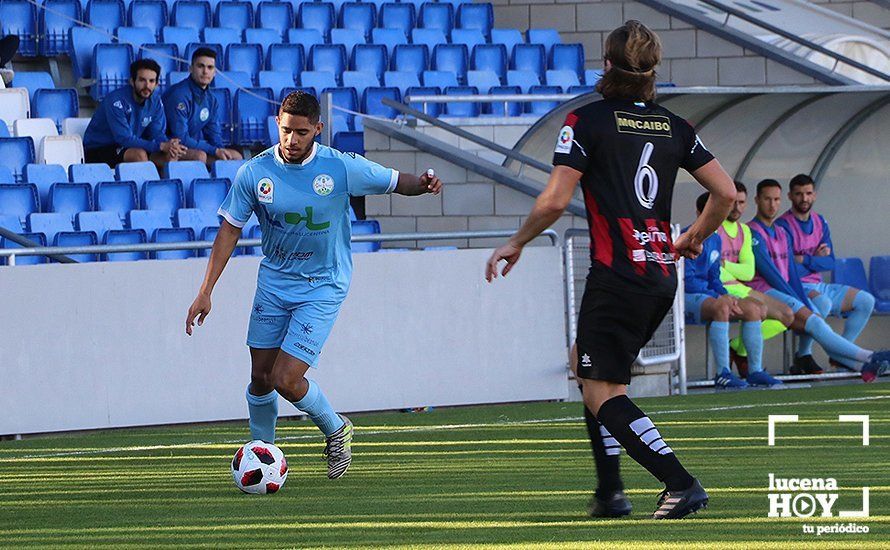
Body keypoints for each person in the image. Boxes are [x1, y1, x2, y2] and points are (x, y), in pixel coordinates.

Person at [486, 20, 736, 520]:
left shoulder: (587, 122)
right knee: (590, 365)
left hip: (617, 273)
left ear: (605, 65)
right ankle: (609, 492)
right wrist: (693, 238)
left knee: (602, 389)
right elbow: (726, 194)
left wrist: (516, 241)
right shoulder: (675, 126)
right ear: (652, 71)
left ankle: (680, 483)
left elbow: (555, 200)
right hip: (659, 273)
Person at [184, 91, 442, 479]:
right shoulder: (254, 173)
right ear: (278, 124)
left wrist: (422, 184)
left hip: (323, 284)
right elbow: (229, 231)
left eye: (301, 132)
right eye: (286, 130)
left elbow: (394, 181)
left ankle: (336, 428)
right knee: (259, 377)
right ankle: (263, 454)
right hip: (274, 282)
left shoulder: (339, 167)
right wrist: (206, 290)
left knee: (285, 379)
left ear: (317, 129)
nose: (291, 140)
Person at [748, 179, 888, 383]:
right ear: (757, 200)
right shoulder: (753, 231)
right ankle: (867, 357)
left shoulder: (782, 232)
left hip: (789, 290)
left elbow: (807, 268)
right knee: (816, 319)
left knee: (825, 315)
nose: (772, 204)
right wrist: (798, 298)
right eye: (767, 199)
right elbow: (771, 273)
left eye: (776, 199)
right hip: (766, 291)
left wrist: (803, 264)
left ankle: (860, 365)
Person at [776, 174, 875, 373]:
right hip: (797, 285)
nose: (804, 198)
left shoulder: (820, 222)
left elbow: (829, 262)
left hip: (819, 285)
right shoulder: (783, 225)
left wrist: (804, 259)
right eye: (799, 194)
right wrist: (815, 260)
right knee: (823, 303)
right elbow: (787, 268)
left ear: (815, 195)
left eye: (808, 193)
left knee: (866, 301)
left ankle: (840, 356)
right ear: (790, 196)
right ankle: (803, 354)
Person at [684, 192, 778, 388]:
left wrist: (725, 295)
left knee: (753, 309)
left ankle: (755, 371)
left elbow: (714, 277)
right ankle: (723, 373)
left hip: (710, 295)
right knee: (722, 308)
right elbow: (688, 281)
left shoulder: (716, 239)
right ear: (699, 213)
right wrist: (719, 298)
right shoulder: (688, 238)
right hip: (687, 297)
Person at [717, 181, 791, 378]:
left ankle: (739, 350)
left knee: (787, 315)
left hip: (741, 287)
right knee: (757, 310)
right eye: (733, 202)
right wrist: (727, 268)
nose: (737, 207)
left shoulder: (745, 231)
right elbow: (714, 269)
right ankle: (753, 369)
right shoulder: (714, 227)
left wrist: (726, 265)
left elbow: (748, 273)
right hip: (719, 288)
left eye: (741, 202)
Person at [83, 59, 186, 169]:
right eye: (142, 80)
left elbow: (157, 134)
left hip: (128, 147)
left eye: (151, 81)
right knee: (139, 155)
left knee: (170, 156)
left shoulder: (155, 102)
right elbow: (124, 139)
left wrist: (170, 145)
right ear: (132, 81)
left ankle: (162, 186)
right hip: (98, 149)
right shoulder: (115, 101)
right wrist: (161, 146)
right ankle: (144, 186)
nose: (147, 85)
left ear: (157, 84)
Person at [163, 48, 243, 164]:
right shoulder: (179, 95)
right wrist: (214, 150)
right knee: (199, 156)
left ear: (215, 72)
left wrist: (220, 149)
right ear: (191, 68)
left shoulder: (211, 100)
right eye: (201, 66)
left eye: (210, 67)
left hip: (189, 146)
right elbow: (181, 137)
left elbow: (214, 134)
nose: (205, 71)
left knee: (235, 156)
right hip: (170, 147)